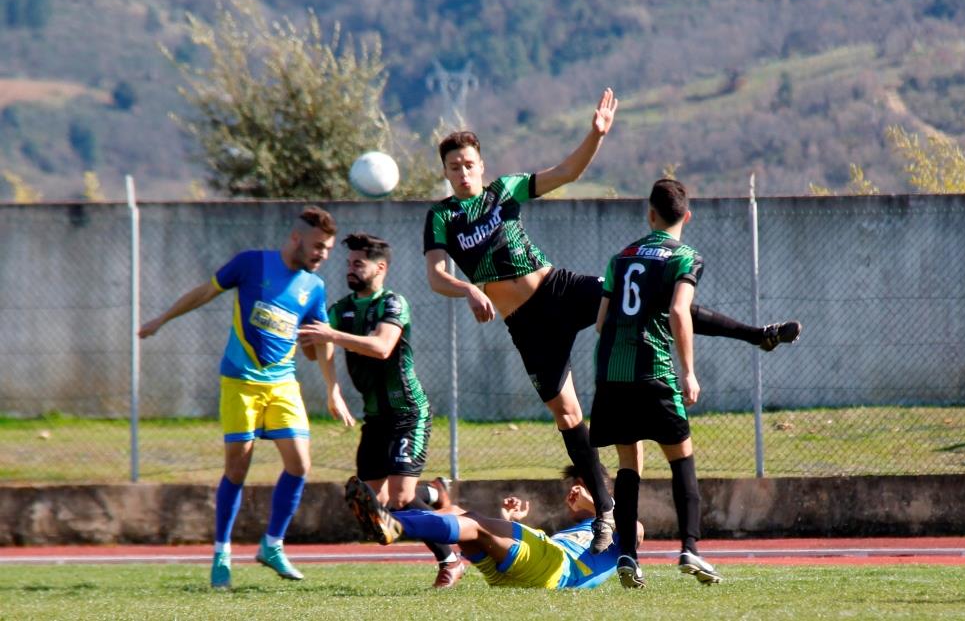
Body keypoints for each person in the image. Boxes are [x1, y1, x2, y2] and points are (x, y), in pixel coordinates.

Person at [422, 88, 801, 553]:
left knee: (654, 302)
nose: (462, 172)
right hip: (526, 323)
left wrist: (595, 135)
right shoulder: (442, 217)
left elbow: (566, 171)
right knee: (567, 414)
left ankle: (757, 334)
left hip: (557, 288)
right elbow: (437, 275)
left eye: (468, 163)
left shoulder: (504, 190)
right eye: (454, 166)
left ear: (481, 164)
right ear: (445, 172)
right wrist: (468, 288)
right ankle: (605, 512)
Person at [138, 206, 354, 589]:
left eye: (329, 249)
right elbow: (205, 291)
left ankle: (272, 545)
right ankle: (221, 552)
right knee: (237, 470)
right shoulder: (251, 264)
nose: (323, 254)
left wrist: (332, 391)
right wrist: (161, 319)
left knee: (300, 464)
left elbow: (321, 342)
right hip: (240, 383)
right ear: (295, 239)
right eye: (318, 246)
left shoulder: (314, 288)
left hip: (283, 384)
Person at [297, 233, 465, 589]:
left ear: (380, 267)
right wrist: (329, 382)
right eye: (348, 263)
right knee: (376, 507)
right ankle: (434, 494)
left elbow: (382, 346)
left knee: (402, 498)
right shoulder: (340, 308)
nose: (350, 269)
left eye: (358, 263)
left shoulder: (393, 303)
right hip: (375, 418)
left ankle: (450, 560)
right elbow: (318, 350)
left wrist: (330, 335)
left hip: (407, 412)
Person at [590, 179, 721, 589]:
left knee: (629, 464)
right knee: (682, 458)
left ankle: (627, 553)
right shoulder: (685, 257)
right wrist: (689, 372)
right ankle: (690, 549)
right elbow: (681, 312)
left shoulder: (621, 257)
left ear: (649, 214)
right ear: (687, 215)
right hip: (655, 371)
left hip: (612, 373)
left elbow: (599, 323)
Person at [344, 466, 632, 590]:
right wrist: (510, 521)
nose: (575, 493)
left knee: (474, 522)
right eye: (574, 488)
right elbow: (528, 557)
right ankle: (396, 516)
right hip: (516, 577)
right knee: (463, 517)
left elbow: (637, 531)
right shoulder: (576, 529)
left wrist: (595, 505)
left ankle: (396, 522)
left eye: (582, 487)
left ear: (605, 494)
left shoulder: (621, 530)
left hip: (558, 570)